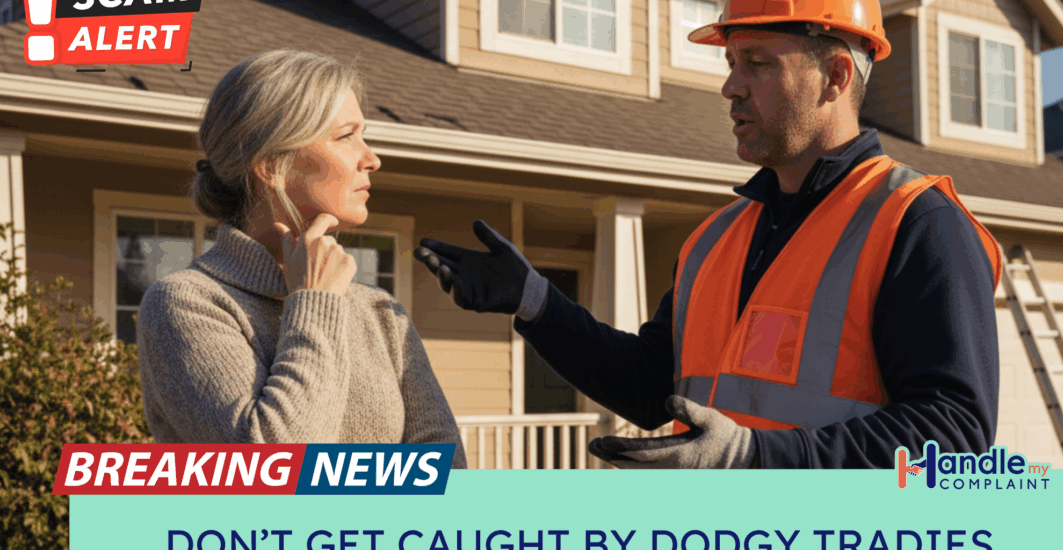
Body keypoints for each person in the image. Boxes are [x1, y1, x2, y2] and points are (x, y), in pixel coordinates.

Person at [413, 0, 1002, 468]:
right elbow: (652, 387)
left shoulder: (918, 223)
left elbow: (953, 435)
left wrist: (754, 459)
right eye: (730, 65)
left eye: (758, 63)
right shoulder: (716, 239)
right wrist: (535, 302)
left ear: (835, 76)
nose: (730, 88)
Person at [137, 49, 466, 468]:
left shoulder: (379, 313)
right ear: (273, 165)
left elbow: (448, 477)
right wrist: (313, 304)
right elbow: (274, 472)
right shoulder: (185, 305)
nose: (372, 158)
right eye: (347, 136)